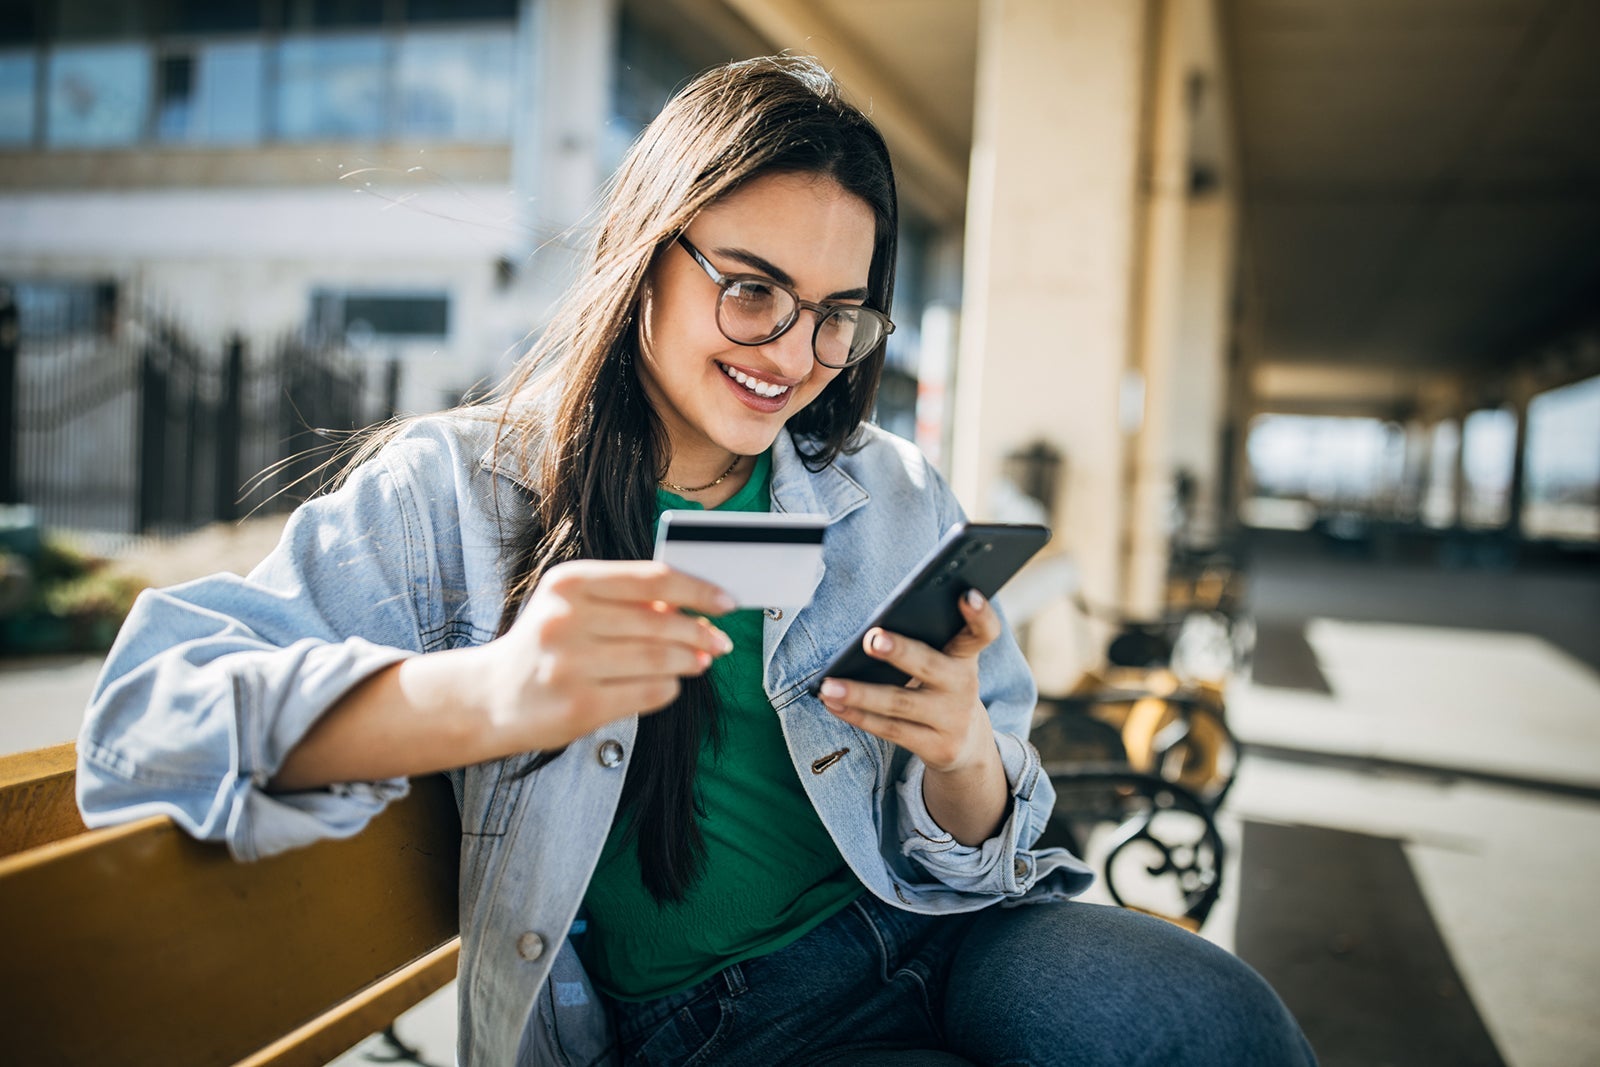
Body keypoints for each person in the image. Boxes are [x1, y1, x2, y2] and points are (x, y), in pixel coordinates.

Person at [78, 56, 1315, 1067]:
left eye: (841, 311)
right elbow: (144, 719)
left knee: (1216, 1021)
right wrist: (491, 693)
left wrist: (962, 758)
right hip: (717, 1021)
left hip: (946, 932)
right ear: (644, 257)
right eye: (752, 288)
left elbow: (995, 841)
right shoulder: (454, 490)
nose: (794, 350)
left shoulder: (884, 491)